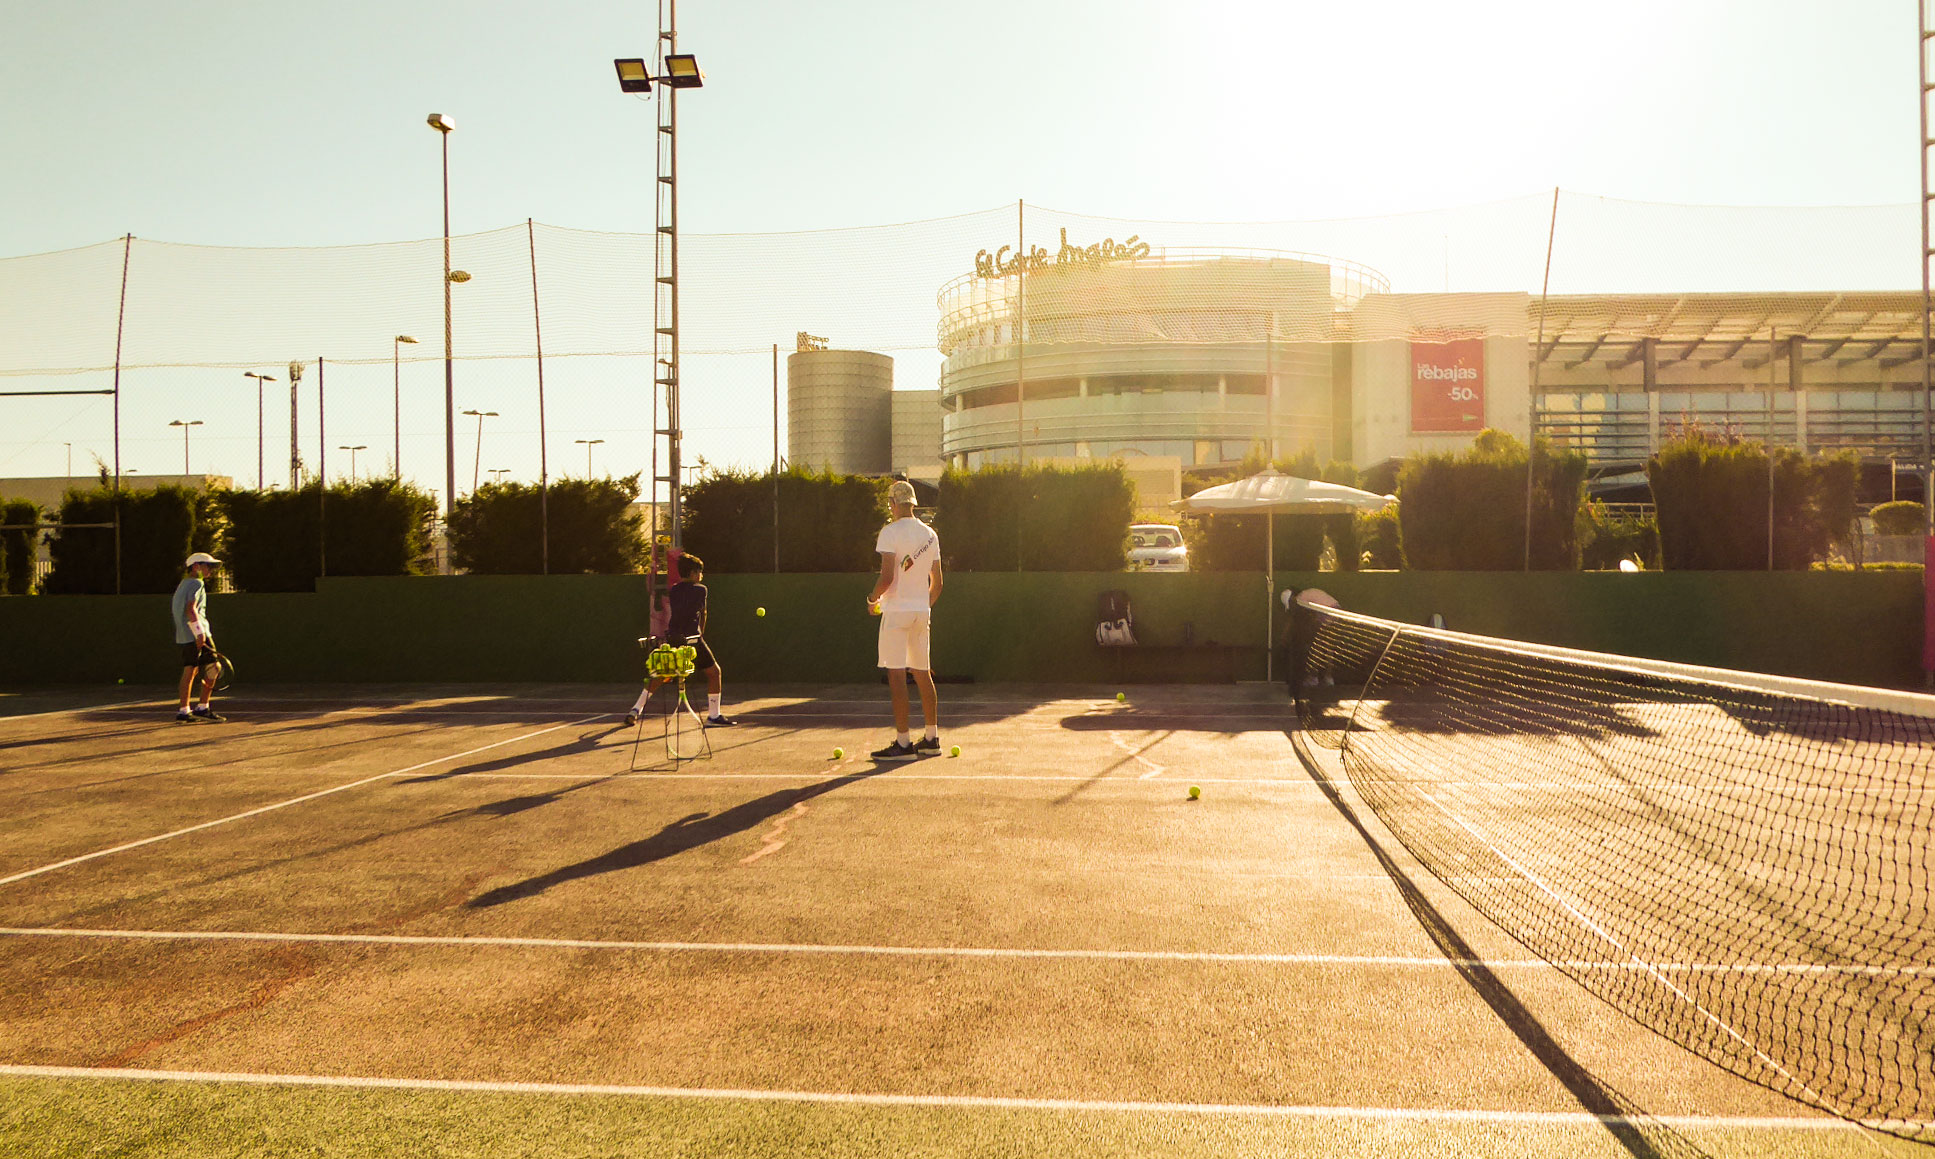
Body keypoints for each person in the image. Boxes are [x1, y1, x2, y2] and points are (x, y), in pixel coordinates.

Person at [868, 480, 942, 760]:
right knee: (922, 673)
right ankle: (932, 739)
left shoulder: (889, 532)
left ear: (893, 504)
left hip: (897, 613)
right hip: (921, 613)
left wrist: (872, 600)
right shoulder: (930, 535)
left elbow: (887, 577)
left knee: (897, 676)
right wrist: (923, 606)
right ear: (912, 502)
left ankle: (903, 744)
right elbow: (938, 583)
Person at [626, 553, 735, 727]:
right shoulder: (701, 589)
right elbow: (703, 614)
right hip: (691, 639)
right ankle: (714, 716)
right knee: (714, 673)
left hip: (672, 637)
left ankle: (635, 710)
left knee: (662, 674)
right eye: (699, 572)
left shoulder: (674, 590)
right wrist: (700, 635)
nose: (701, 575)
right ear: (693, 573)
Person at [171, 552, 226, 723]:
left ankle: (184, 711)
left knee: (191, 669)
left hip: (185, 634)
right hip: (196, 632)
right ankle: (202, 708)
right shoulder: (196, 583)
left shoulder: (183, 584)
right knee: (213, 668)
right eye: (207, 566)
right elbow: (191, 609)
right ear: (196, 567)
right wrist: (199, 632)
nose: (210, 570)